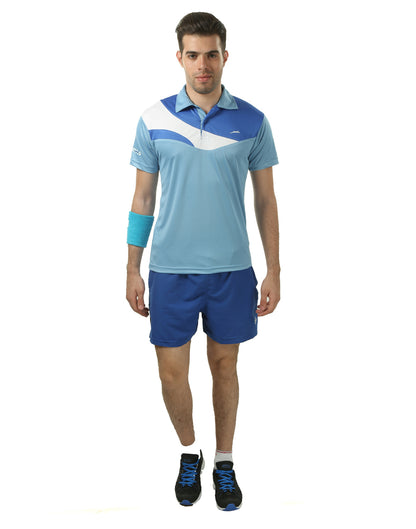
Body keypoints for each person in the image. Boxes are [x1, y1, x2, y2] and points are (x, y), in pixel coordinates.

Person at [126, 12, 280, 511]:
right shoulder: (153, 120)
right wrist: (132, 268)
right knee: (171, 373)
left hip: (231, 270)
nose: (202, 65)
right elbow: (142, 199)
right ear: (180, 58)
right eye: (193, 55)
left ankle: (225, 461)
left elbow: (266, 201)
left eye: (211, 54)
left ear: (224, 56)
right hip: (170, 270)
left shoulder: (252, 121)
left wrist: (274, 268)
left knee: (224, 366)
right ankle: (189, 451)